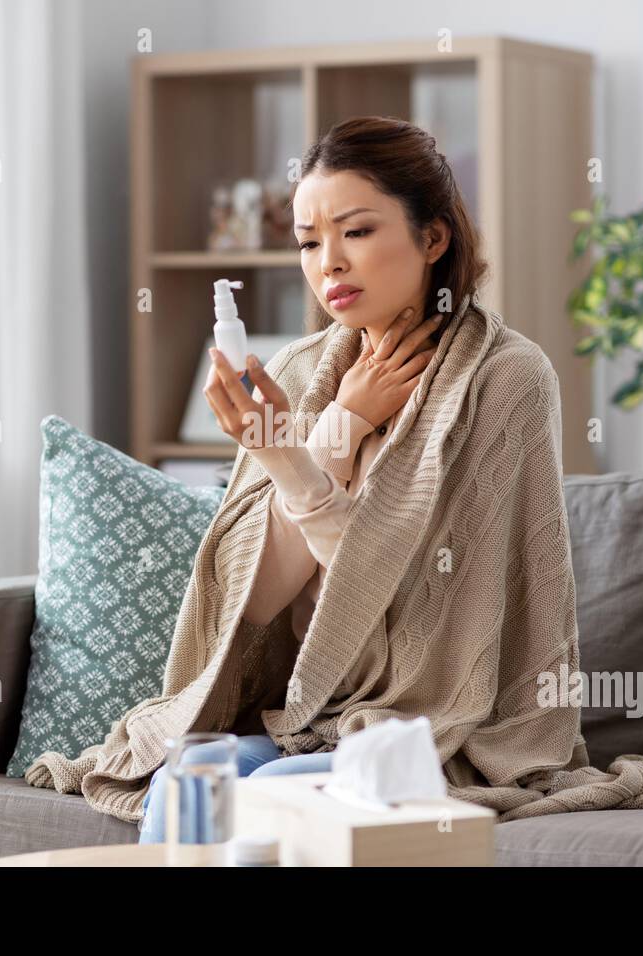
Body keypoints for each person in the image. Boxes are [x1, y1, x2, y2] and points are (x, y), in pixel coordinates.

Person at [137, 115, 486, 843]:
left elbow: (405, 604)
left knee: (269, 790)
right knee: (182, 780)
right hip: (306, 717)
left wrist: (305, 454)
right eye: (307, 241)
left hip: (431, 728)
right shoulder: (297, 372)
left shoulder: (502, 381)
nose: (329, 262)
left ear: (433, 237)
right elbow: (258, 605)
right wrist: (327, 433)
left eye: (356, 232)